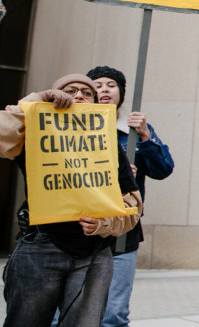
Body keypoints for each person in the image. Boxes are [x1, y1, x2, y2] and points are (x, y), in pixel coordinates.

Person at [1, 74, 141, 327]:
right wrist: (37, 100)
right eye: (70, 90)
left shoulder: (108, 141)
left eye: (87, 93)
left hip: (94, 255)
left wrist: (105, 224)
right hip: (39, 245)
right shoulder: (32, 133)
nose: (78, 95)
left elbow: (132, 205)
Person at [86, 65, 175, 327]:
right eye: (98, 85)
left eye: (110, 85)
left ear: (121, 93)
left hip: (123, 230)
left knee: (113, 313)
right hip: (81, 225)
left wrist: (146, 136)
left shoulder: (135, 130)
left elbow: (163, 169)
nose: (104, 90)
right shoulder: (72, 128)